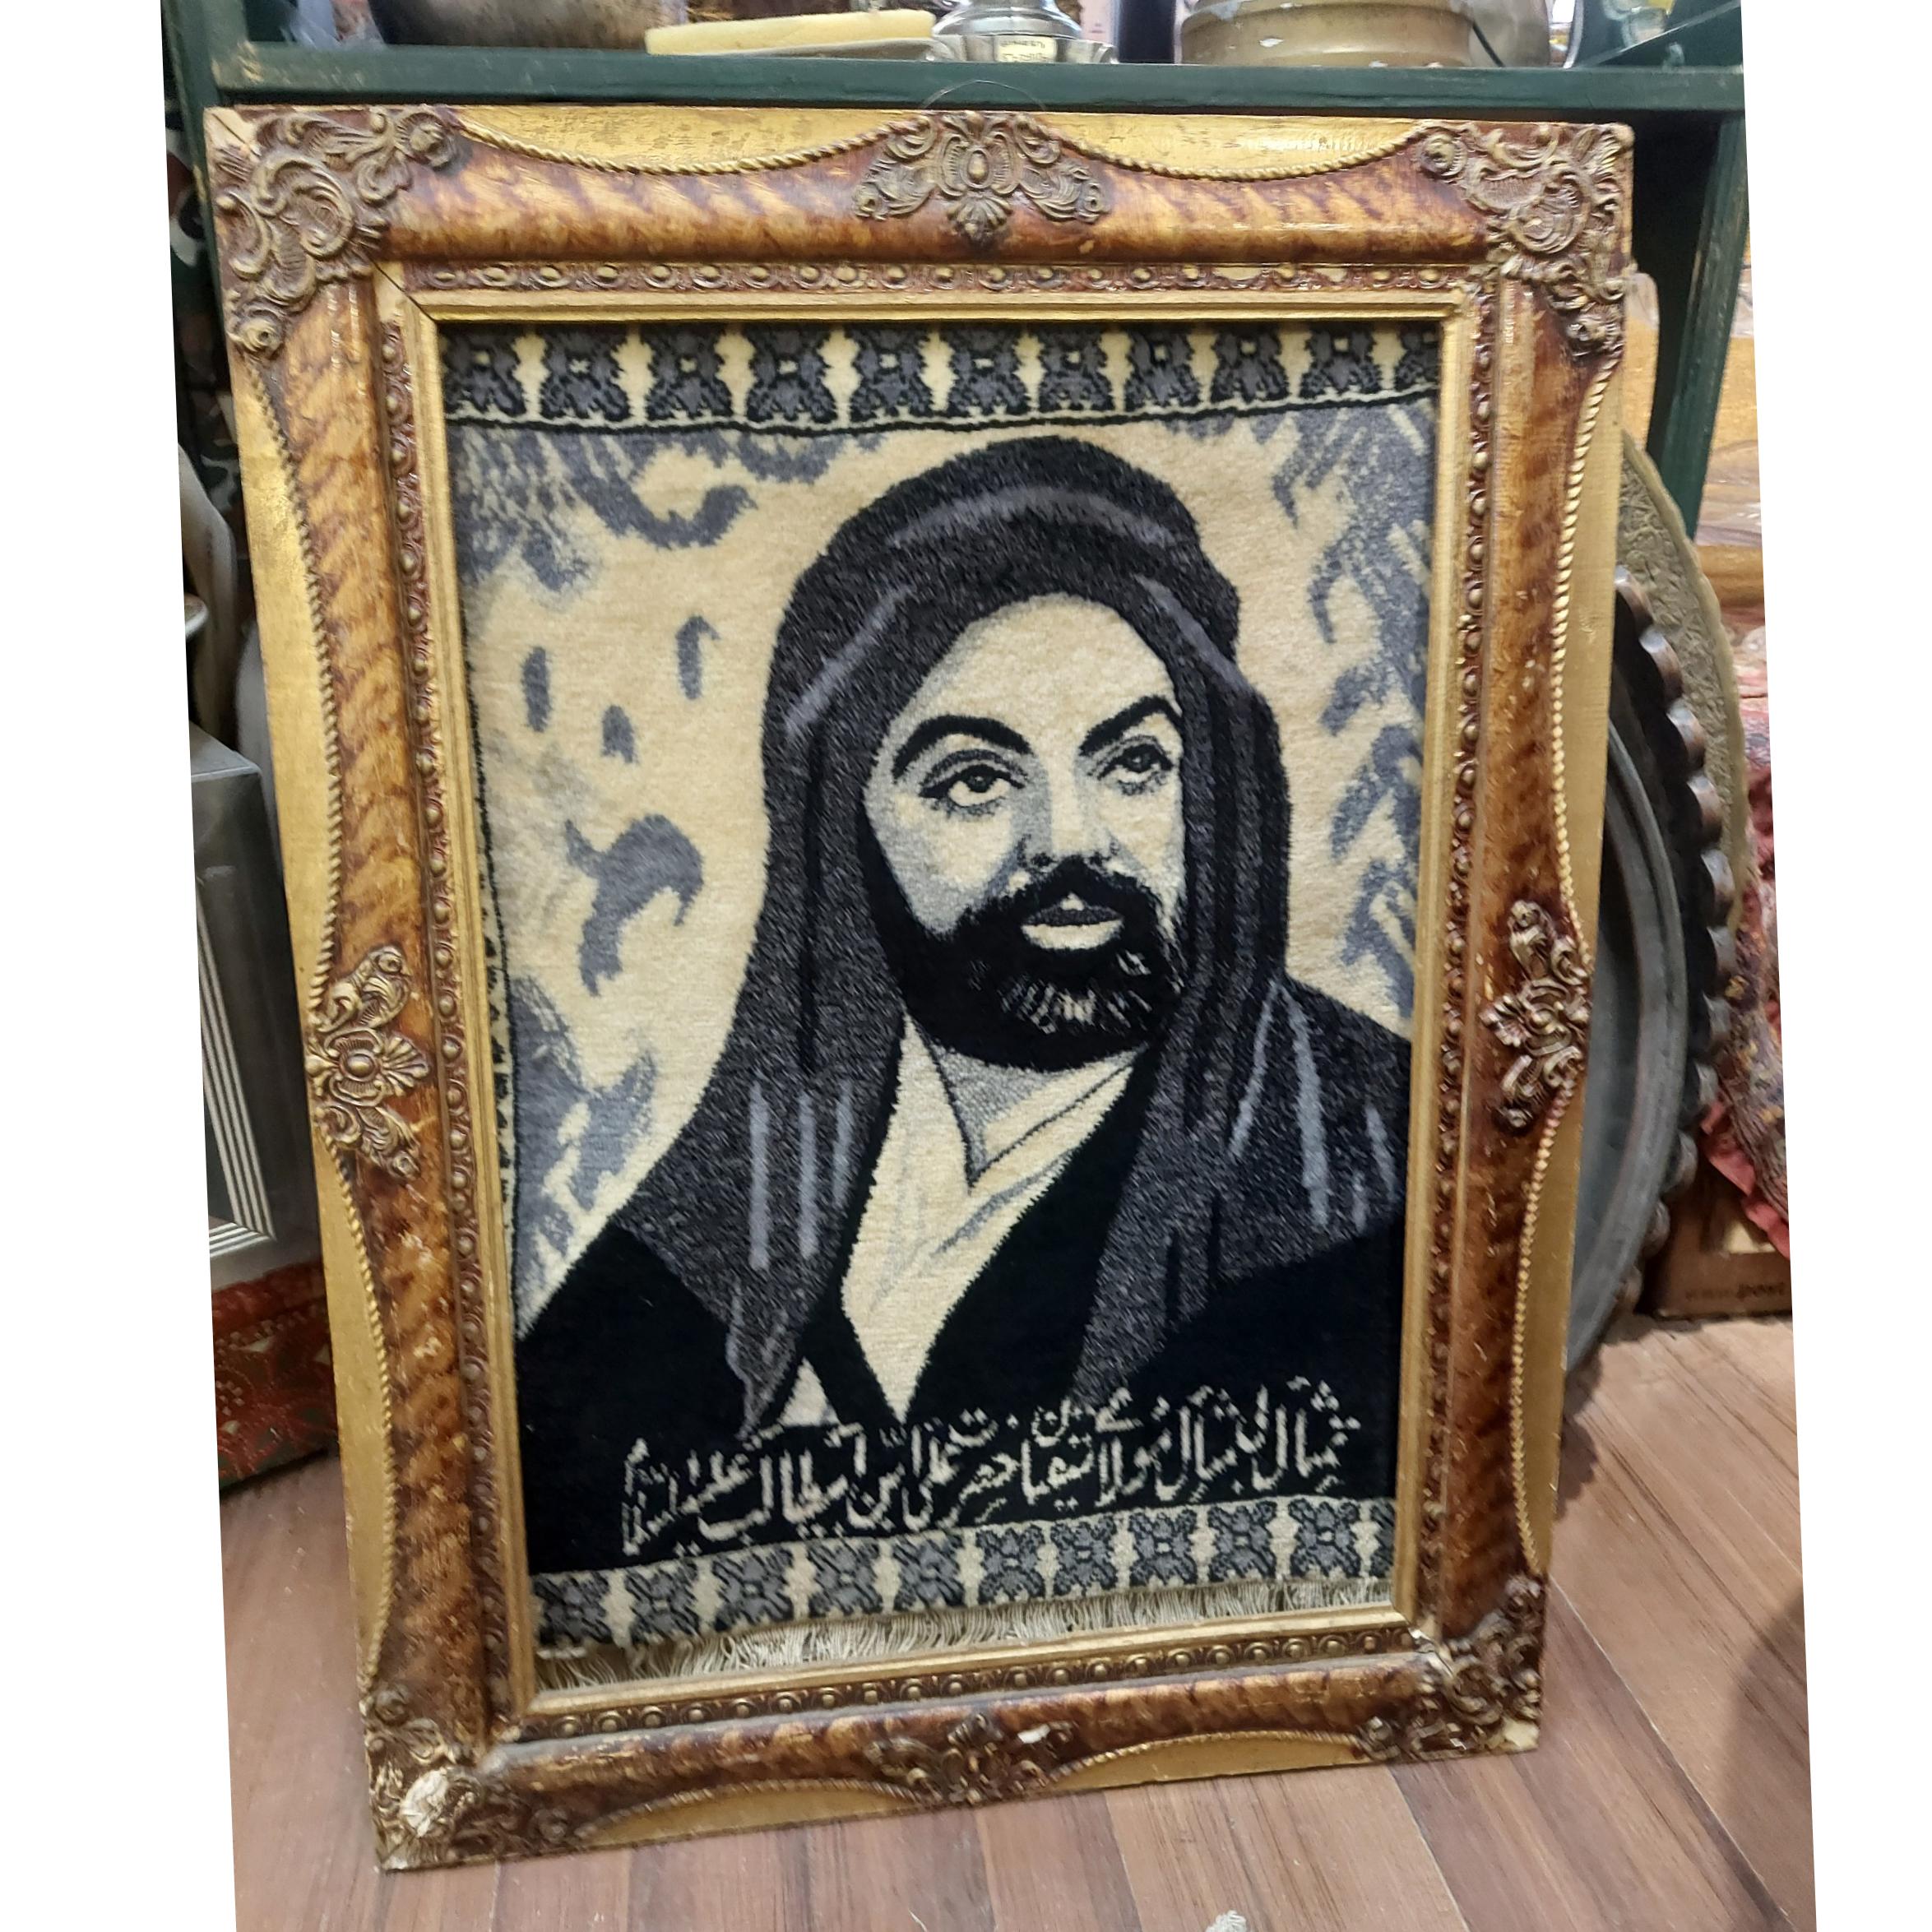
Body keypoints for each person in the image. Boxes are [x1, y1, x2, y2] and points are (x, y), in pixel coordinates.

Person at [517, 436, 1411, 1575]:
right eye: (976, 779)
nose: (1072, 839)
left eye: (1134, 765)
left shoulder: (1368, 1162)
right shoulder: (741, 1193)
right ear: (843, 828)